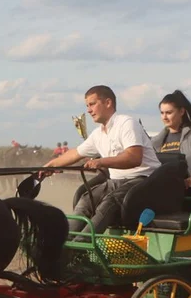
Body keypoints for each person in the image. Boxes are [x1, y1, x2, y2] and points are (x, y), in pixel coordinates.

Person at [42, 85, 160, 237]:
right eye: (87, 106)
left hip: (145, 180)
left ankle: (78, 247)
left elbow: (134, 158)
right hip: (118, 182)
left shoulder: (126, 123)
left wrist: (102, 162)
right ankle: (64, 242)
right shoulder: (97, 134)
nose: (89, 110)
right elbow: (75, 154)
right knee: (86, 200)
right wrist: (48, 166)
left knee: (110, 202)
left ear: (108, 103)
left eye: (92, 104)